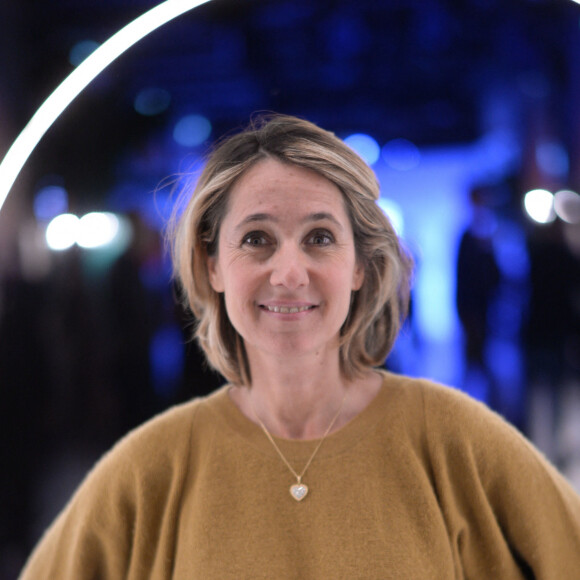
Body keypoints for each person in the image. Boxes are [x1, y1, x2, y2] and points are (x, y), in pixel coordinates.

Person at [20, 114, 580, 579]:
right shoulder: (149, 473)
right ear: (212, 265)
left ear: (360, 265)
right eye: (256, 239)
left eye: (319, 237)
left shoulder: (453, 442)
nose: (289, 272)